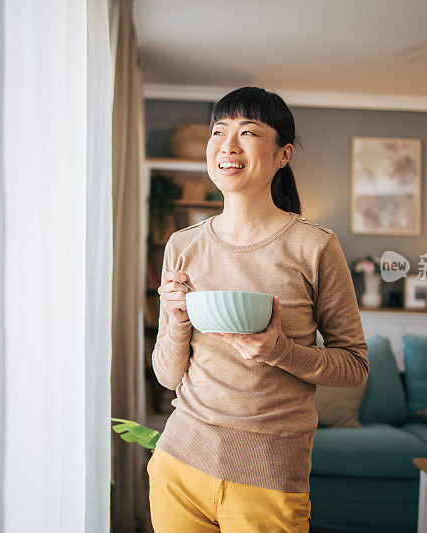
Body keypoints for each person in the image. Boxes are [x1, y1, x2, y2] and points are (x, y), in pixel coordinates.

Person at [149, 86, 369, 532]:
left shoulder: (315, 246)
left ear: (283, 154)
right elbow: (167, 375)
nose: (227, 145)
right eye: (218, 131)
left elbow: (354, 366)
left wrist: (279, 351)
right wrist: (174, 318)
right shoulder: (183, 245)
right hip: (180, 463)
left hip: (268, 474)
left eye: (247, 132)